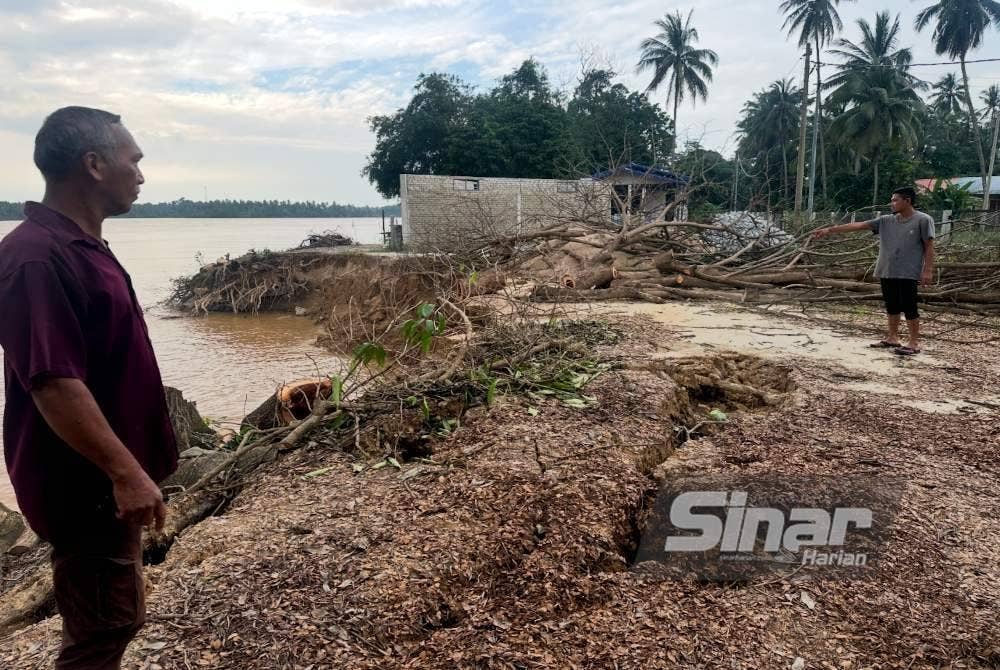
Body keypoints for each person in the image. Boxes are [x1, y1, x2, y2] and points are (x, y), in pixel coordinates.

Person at [0, 107, 177, 669]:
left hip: (105, 481)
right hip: (84, 484)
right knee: (100, 632)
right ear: (95, 164)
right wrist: (124, 473)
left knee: (113, 620)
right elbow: (54, 384)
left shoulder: (79, 245)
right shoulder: (35, 258)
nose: (142, 175)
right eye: (135, 161)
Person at [812, 186, 935, 355]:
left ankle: (914, 342)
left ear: (907, 201)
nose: (892, 203)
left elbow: (929, 246)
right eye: (892, 200)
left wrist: (927, 270)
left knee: (909, 306)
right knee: (891, 305)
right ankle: (892, 337)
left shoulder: (923, 220)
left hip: (908, 271)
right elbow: (858, 225)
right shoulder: (885, 220)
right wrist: (829, 230)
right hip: (886, 269)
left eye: (895, 200)